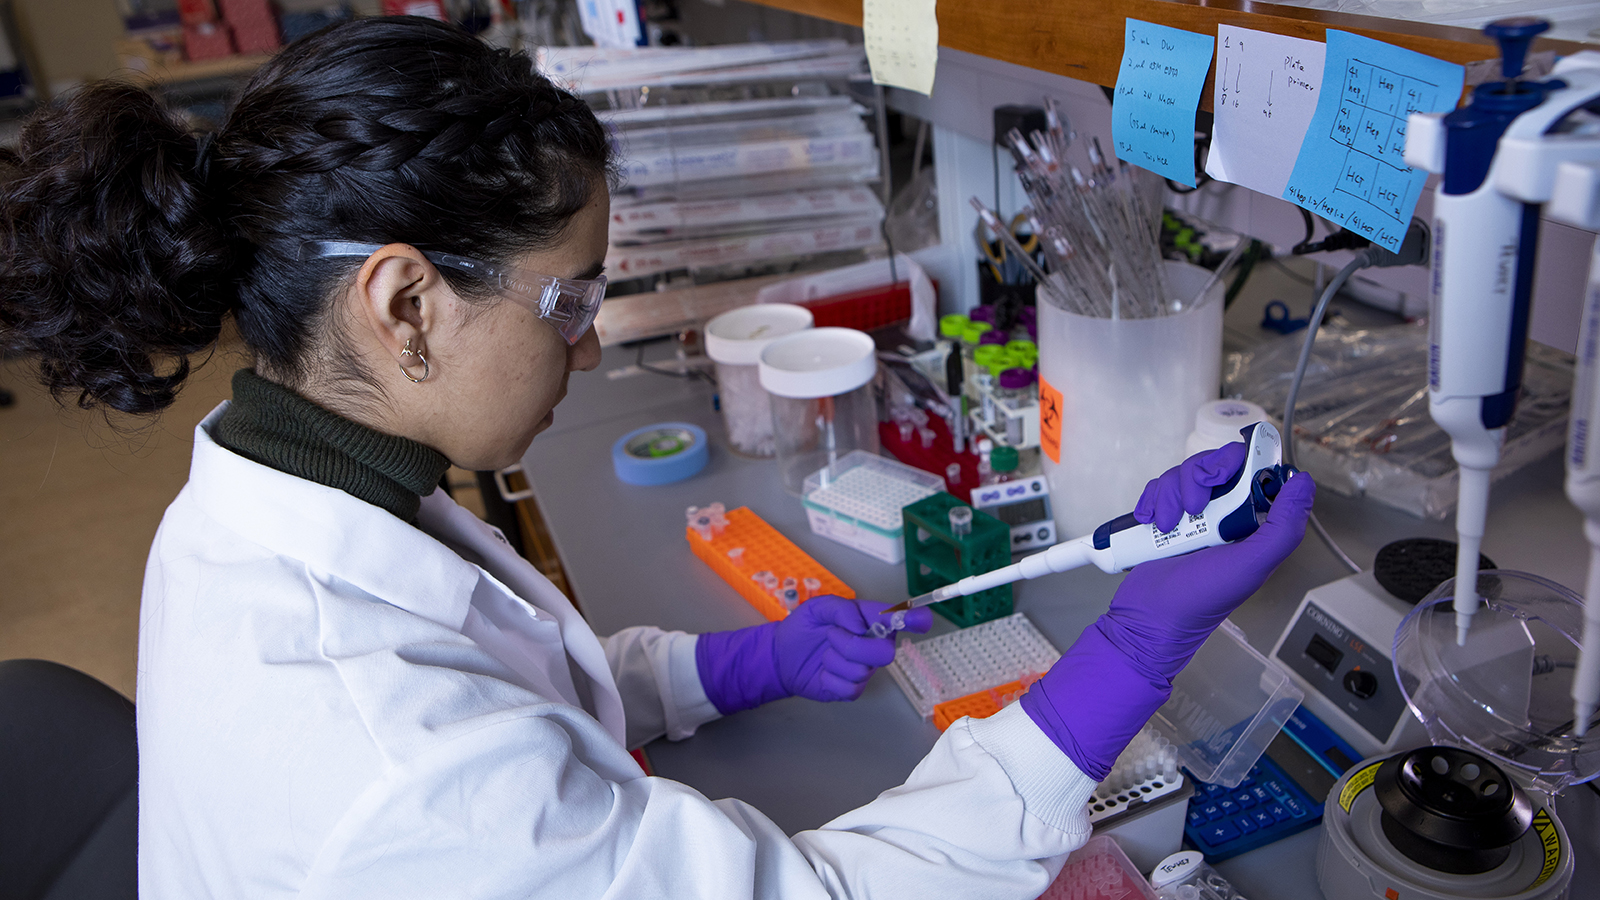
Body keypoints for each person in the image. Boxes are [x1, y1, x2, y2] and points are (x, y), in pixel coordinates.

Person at [0, 16, 1315, 899]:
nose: (585, 350)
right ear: (404, 308)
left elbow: (509, 688)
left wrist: (729, 664)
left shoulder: (279, 481)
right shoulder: (398, 777)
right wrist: (1125, 658)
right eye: (567, 303)